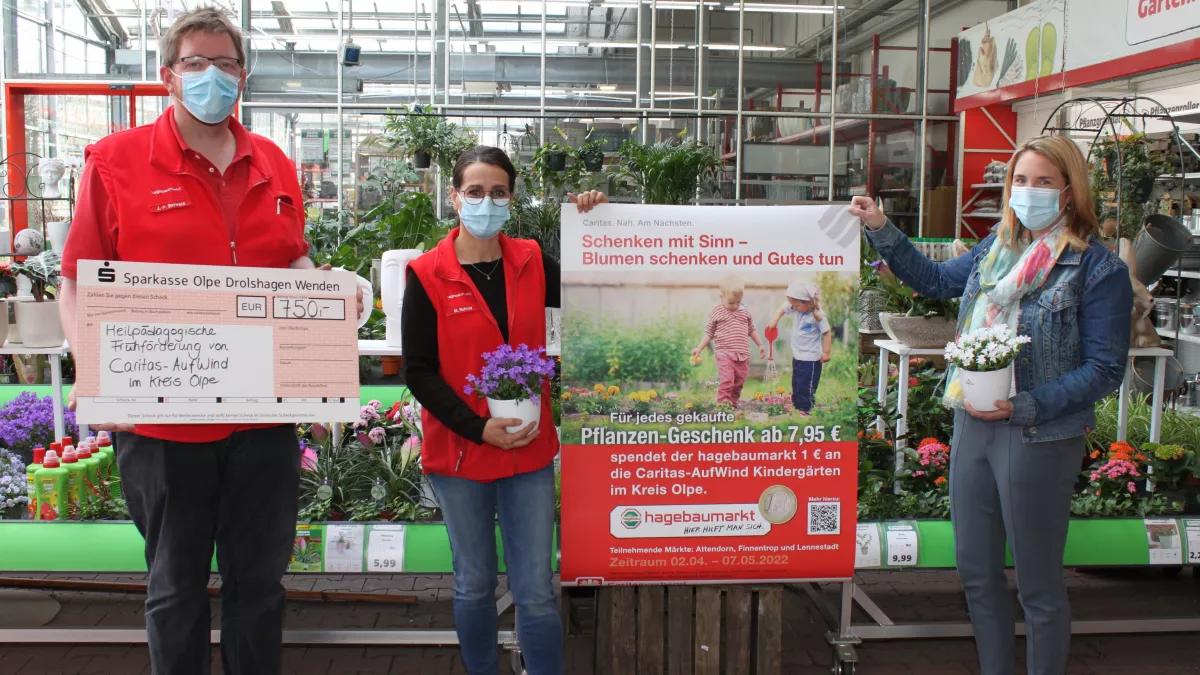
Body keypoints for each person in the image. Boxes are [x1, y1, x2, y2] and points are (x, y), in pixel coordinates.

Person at [57, 8, 359, 675]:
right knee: (175, 587)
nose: (212, 77)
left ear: (243, 75)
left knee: (259, 587)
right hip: (163, 422)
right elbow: (77, 281)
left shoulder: (274, 164)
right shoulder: (114, 162)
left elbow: (292, 262)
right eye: (196, 63)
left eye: (225, 64)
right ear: (168, 75)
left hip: (263, 418)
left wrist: (329, 291)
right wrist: (89, 370)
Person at [850, 135, 1132, 675]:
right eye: (1020, 181)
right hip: (971, 427)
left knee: (1039, 585)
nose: (1028, 192)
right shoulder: (995, 249)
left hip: (1039, 435)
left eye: (1044, 182)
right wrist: (880, 227)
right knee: (977, 574)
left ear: (1070, 192)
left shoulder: (1097, 270)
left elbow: (1104, 370)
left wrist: (1023, 404)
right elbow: (933, 279)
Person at [401, 145, 606, 675]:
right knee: (473, 582)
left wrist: (597, 223)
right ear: (454, 197)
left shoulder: (532, 261)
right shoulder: (427, 274)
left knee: (536, 588)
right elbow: (419, 370)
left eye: (498, 192)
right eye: (475, 192)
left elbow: (596, 290)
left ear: (511, 199)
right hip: (462, 452)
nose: (486, 202)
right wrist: (477, 426)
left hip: (529, 452)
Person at [690, 275, 767, 407]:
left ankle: (732, 404)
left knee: (739, 382)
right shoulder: (717, 311)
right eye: (731, 303)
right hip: (724, 352)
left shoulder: (745, 312)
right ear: (721, 297)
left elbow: (751, 329)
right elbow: (709, 332)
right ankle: (722, 405)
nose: (735, 306)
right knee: (727, 380)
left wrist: (760, 344)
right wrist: (699, 348)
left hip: (742, 354)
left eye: (738, 302)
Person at [766, 281, 831, 415]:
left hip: (811, 358)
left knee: (807, 384)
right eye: (792, 305)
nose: (793, 308)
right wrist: (774, 322)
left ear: (807, 302)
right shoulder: (797, 306)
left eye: (796, 305)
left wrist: (826, 352)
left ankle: (805, 409)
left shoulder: (817, 315)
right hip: (798, 355)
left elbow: (827, 333)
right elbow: (782, 309)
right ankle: (797, 404)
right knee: (797, 381)